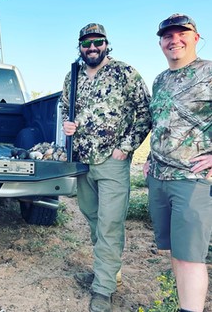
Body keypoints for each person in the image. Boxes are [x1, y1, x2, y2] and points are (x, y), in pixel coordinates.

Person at [61, 23, 151, 312]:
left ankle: (103, 289)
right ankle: (109, 269)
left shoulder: (125, 73)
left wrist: (125, 147)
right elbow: (65, 107)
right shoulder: (72, 75)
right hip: (83, 160)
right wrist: (67, 123)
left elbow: (144, 112)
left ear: (106, 44)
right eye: (86, 43)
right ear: (80, 46)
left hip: (113, 162)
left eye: (97, 42)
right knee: (93, 217)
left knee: (110, 222)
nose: (92, 48)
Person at [144, 14, 212, 312]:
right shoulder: (160, 80)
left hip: (192, 180)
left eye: (181, 34)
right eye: (167, 36)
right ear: (160, 43)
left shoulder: (209, 73)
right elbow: (161, 123)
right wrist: (148, 158)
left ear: (196, 38)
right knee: (175, 250)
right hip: (159, 178)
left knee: (190, 257)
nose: (175, 40)